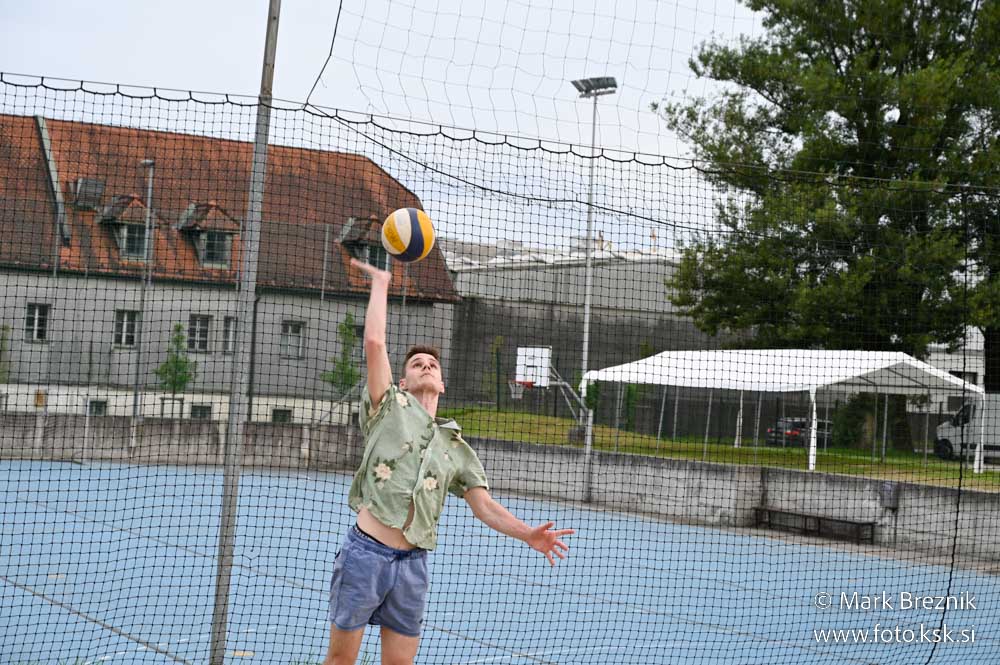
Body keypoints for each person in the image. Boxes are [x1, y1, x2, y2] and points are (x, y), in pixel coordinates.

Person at [324, 258, 574, 665]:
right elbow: (374, 344)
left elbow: (484, 506)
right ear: (402, 381)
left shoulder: (456, 447)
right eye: (416, 364)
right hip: (366, 554)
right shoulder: (387, 406)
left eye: (433, 365)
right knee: (340, 661)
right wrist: (381, 284)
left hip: (413, 565)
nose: (426, 366)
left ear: (442, 384)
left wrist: (528, 534)